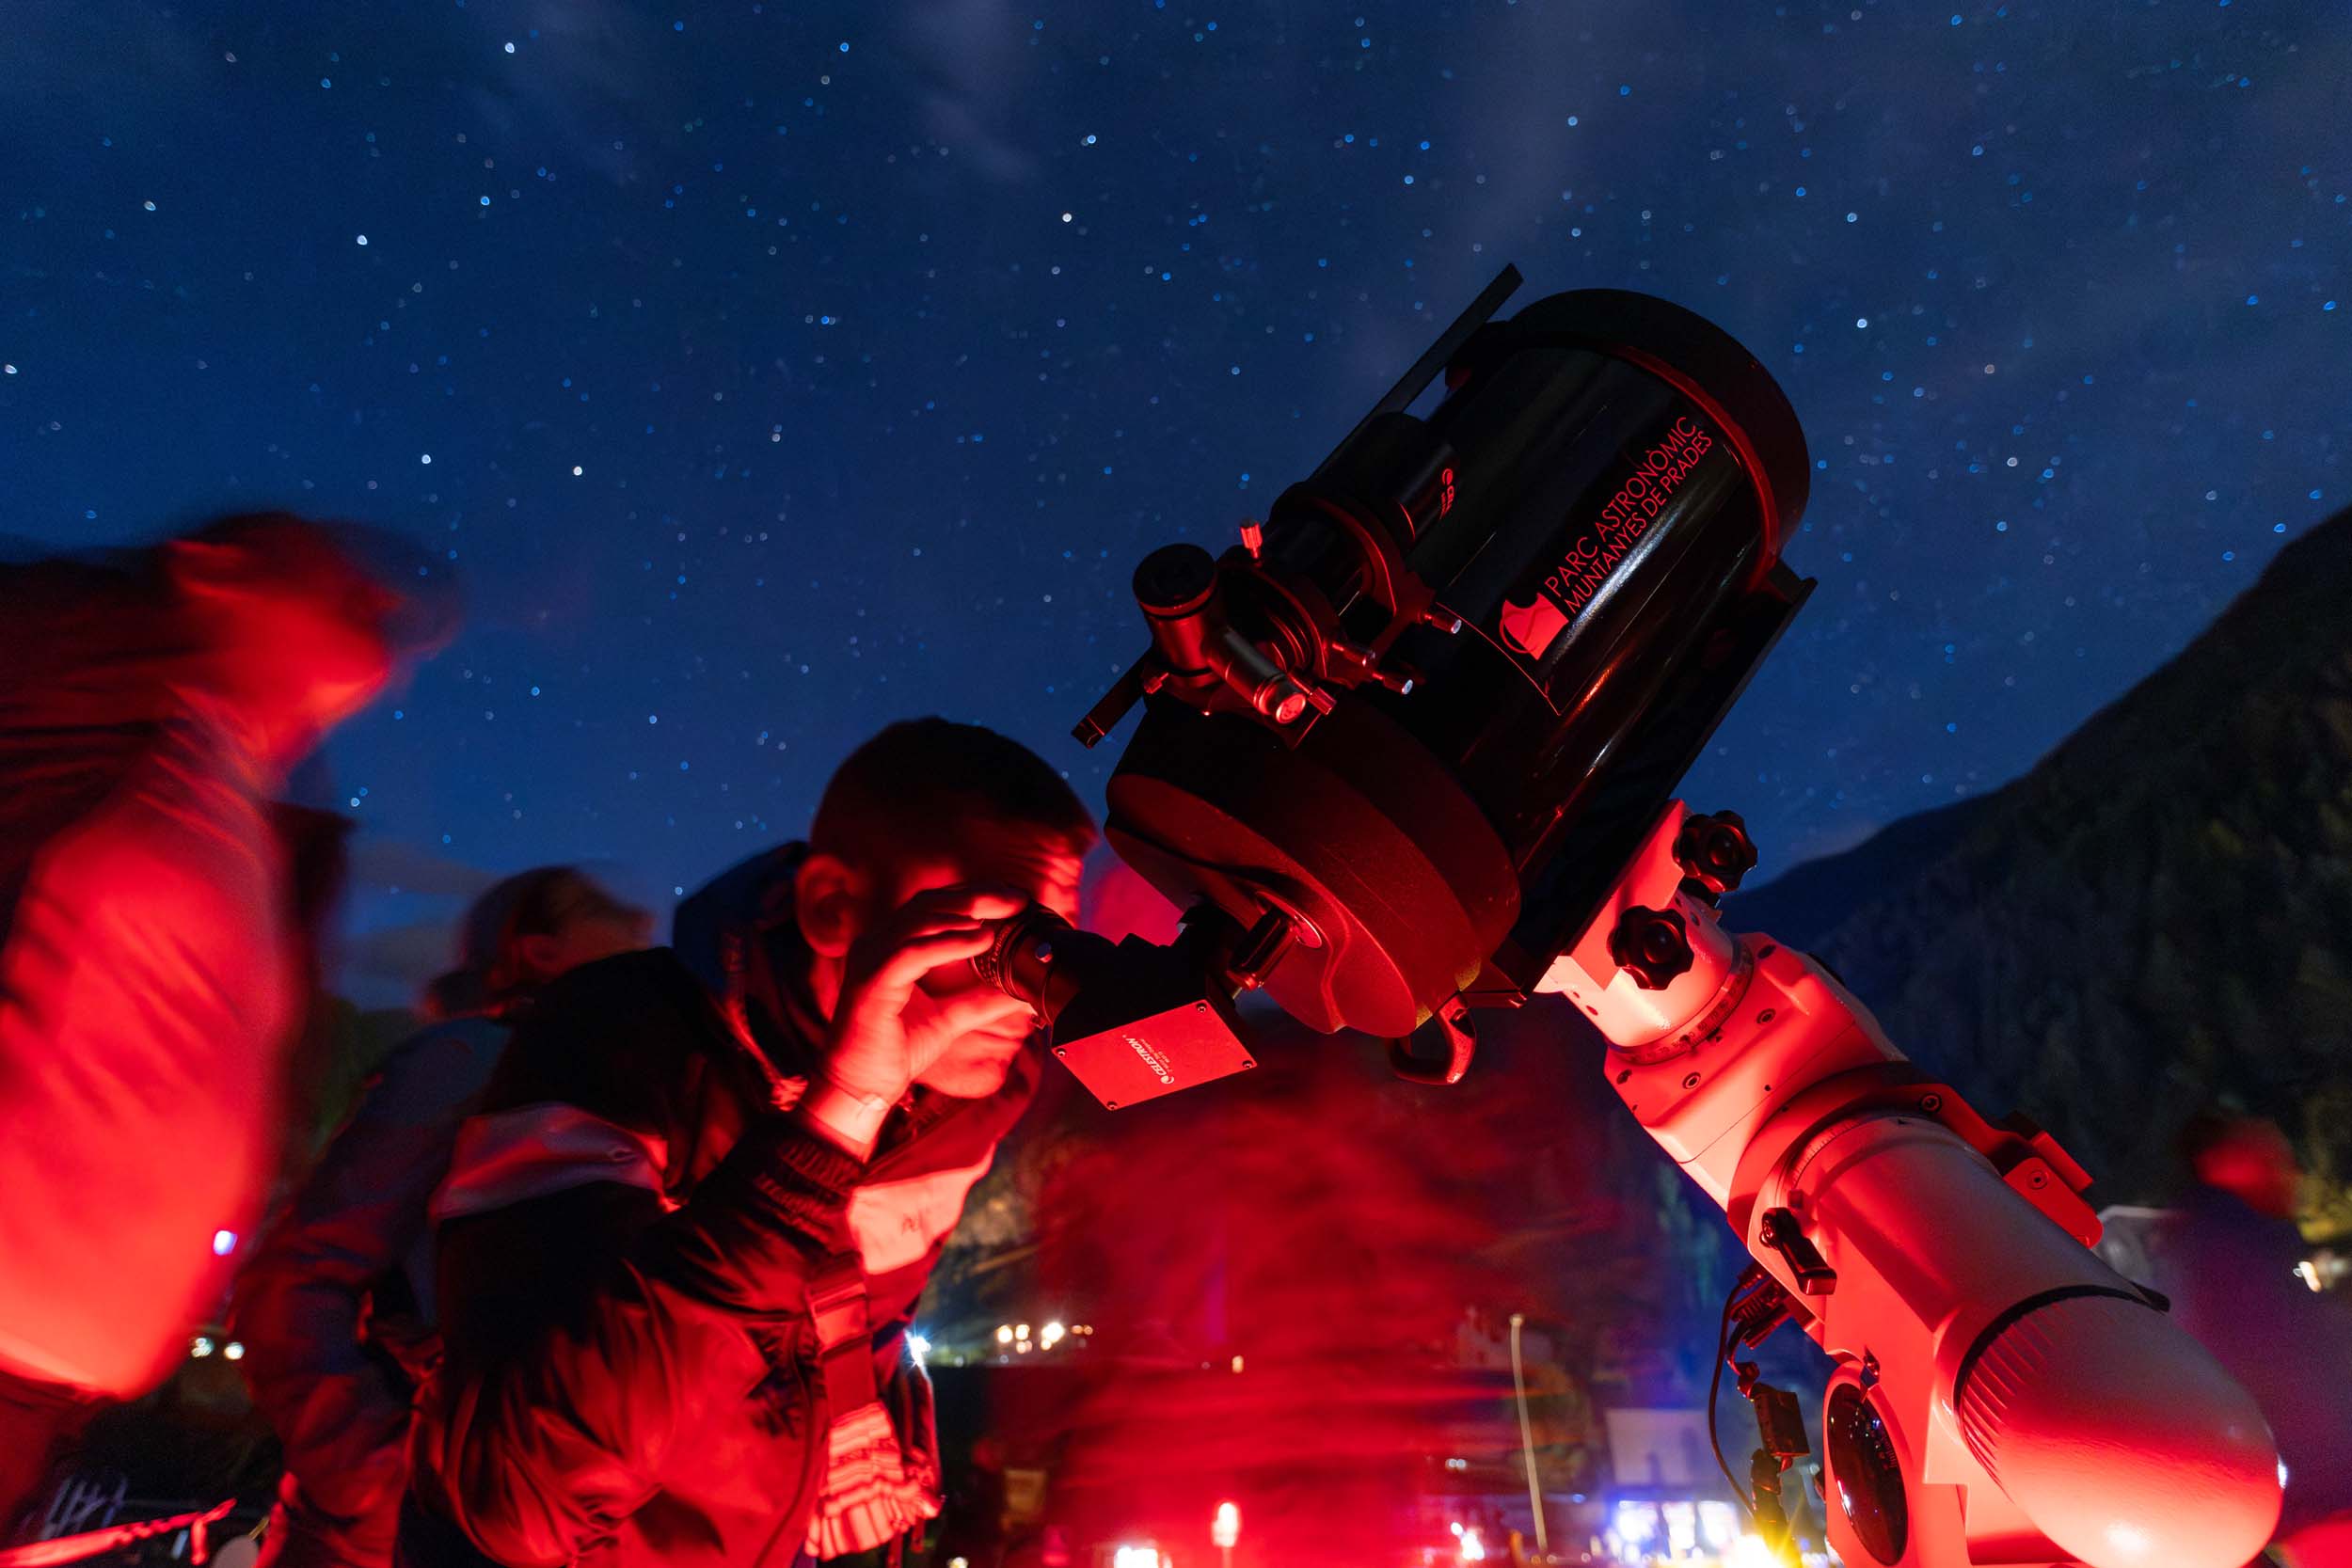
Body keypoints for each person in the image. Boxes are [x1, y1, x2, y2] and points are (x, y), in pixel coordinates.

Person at [406, 718, 1092, 1568]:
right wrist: (838, 1115)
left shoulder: (979, 1091)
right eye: (986, 930)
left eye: (1047, 942)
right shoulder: (620, 1036)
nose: (1025, 1001)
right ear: (833, 905)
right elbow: (523, 1500)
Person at [0, 515, 429, 1520]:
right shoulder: (67, 688)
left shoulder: (250, 809)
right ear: (217, 573)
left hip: (53, 1394)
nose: (383, 599)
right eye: (339, 579)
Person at [230, 869, 652, 1568]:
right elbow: (296, 1274)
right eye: (603, 908)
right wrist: (376, 1478)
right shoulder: (469, 1061)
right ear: (540, 950)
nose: (639, 920)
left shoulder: (623, 1090)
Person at [2144, 1112, 2352, 1558]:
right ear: (2225, 1159)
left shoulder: (2235, 1242)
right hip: (2330, 1509)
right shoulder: (2222, 1248)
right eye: (2272, 1157)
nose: (2292, 1172)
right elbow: (2287, 1373)